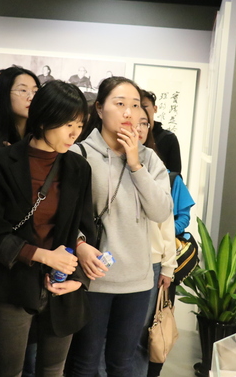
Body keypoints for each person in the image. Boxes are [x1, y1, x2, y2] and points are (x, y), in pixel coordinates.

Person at [0, 80, 96, 377]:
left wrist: (79, 279)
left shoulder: (78, 168)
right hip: (13, 284)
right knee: (9, 372)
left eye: (79, 125)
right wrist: (44, 256)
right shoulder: (2, 161)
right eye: (68, 125)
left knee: (53, 371)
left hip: (61, 287)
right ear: (43, 120)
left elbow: (85, 229)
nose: (74, 133)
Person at [69, 76, 172, 377]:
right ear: (100, 109)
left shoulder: (149, 159)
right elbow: (64, 216)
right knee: (85, 362)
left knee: (123, 363)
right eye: (120, 103)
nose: (129, 112)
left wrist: (135, 164)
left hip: (137, 281)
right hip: (93, 279)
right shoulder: (79, 154)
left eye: (135, 105)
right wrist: (78, 244)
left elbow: (161, 211)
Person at [133, 106, 176, 377]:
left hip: (151, 262)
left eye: (144, 123)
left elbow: (166, 222)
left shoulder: (155, 165)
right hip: (110, 262)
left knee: (141, 336)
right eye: (133, 122)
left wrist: (168, 266)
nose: (138, 129)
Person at [141, 90, 182, 173]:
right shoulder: (129, 135)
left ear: (155, 108)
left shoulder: (168, 138)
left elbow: (174, 173)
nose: (141, 110)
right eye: (136, 106)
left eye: (144, 106)